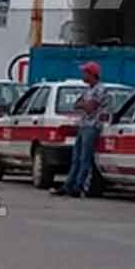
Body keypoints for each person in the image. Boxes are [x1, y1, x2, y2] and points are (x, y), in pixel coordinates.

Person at [51, 62, 110, 197]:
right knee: (76, 158)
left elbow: (90, 107)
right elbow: (76, 105)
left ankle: (78, 186)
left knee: (85, 158)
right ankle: (68, 185)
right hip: (83, 125)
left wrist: (84, 105)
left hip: (92, 126)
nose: (83, 75)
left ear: (91, 74)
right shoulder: (88, 90)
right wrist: (83, 104)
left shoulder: (100, 90)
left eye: (85, 73)